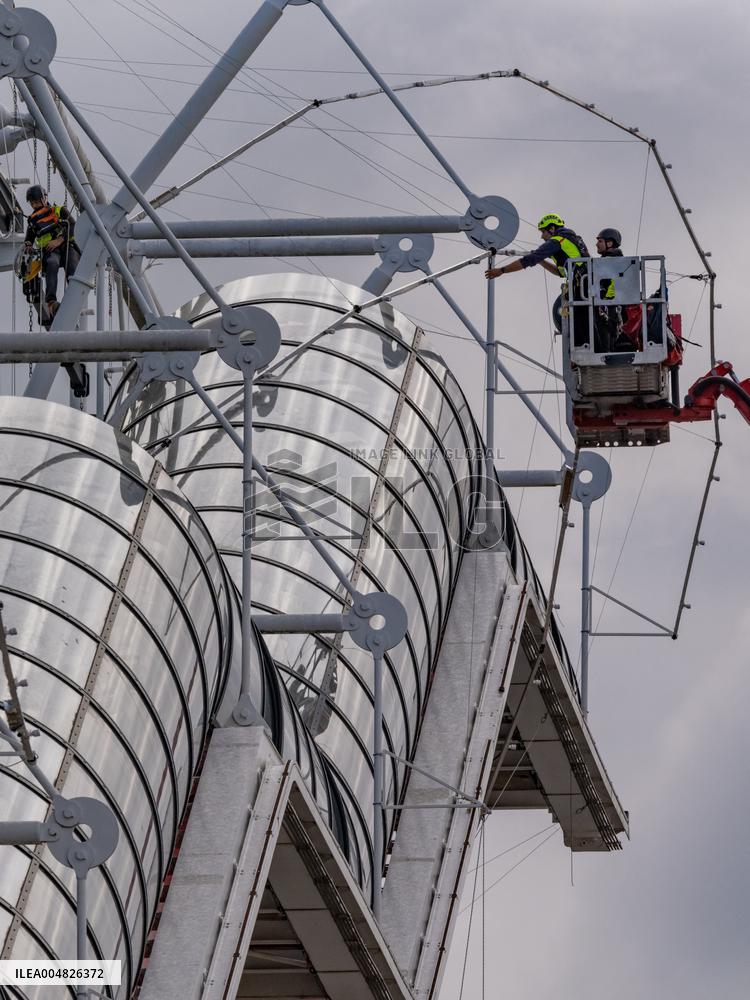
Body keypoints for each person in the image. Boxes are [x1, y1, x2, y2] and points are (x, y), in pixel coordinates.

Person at [486, 213, 590, 341]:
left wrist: (502, 270)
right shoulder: (572, 241)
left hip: (582, 289)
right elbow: (560, 272)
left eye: (543, 232)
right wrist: (541, 260)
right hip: (586, 288)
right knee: (585, 327)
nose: (542, 236)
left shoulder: (558, 241)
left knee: (582, 328)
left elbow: (527, 261)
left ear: (552, 229)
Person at [23, 185, 80, 322]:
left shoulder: (59, 211)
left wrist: (59, 240)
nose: (35, 206)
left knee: (72, 267)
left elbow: (72, 224)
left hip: (66, 245)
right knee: (52, 264)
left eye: (37, 202)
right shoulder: (33, 220)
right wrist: (28, 246)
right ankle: (51, 303)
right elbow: (28, 239)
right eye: (32, 203)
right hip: (50, 251)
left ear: (44, 199)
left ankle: (74, 299)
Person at [594, 227, 624, 351]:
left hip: (609, 309)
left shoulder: (607, 262)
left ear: (610, 243)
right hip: (613, 309)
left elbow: (608, 286)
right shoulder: (618, 260)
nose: (596, 244)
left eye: (600, 241)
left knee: (606, 347)